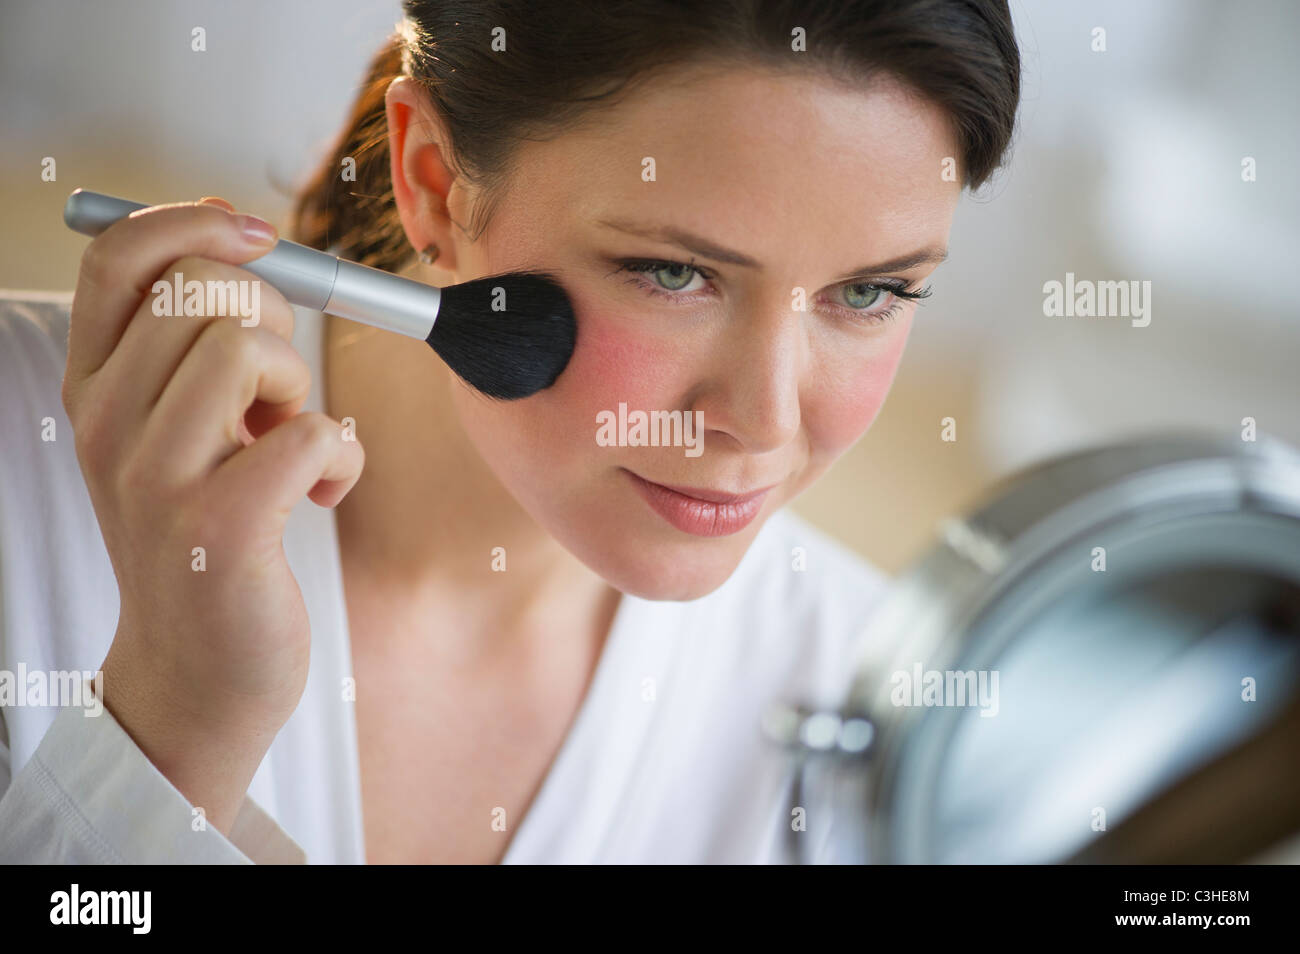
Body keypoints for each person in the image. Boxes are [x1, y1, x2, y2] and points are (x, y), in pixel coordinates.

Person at [0, 0, 1020, 863]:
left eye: (873, 292)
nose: (763, 420)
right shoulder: (22, 474)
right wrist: (171, 732)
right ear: (436, 183)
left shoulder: (879, 709)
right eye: (673, 274)